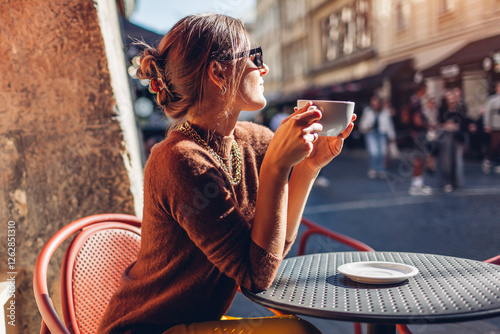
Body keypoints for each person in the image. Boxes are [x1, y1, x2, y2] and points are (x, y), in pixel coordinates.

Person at [97, 14, 355, 334]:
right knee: (298, 332)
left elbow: (268, 255)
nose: (264, 68)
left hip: (199, 323)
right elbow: (256, 276)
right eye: (254, 56)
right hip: (149, 328)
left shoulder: (255, 140)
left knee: (299, 329)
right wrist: (276, 168)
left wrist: (307, 168)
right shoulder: (179, 161)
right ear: (218, 72)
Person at [436, 89, 470, 192]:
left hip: (456, 136)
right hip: (445, 135)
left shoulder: (458, 109)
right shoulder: (442, 109)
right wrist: (446, 125)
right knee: (446, 160)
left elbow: (464, 120)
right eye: (448, 98)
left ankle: (456, 181)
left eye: (452, 98)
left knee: (457, 160)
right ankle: (446, 181)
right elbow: (439, 122)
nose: (450, 100)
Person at [359, 96, 396, 179]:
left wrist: (392, 136)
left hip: (382, 133)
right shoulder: (368, 111)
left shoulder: (385, 112)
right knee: (373, 152)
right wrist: (367, 126)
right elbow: (363, 123)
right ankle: (373, 168)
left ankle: (381, 169)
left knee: (382, 152)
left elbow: (389, 125)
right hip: (371, 133)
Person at [406, 83, 433, 196]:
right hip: (418, 133)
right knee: (419, 159)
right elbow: (417, 120)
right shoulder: (416, 102)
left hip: (415, 133)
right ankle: (416, 185)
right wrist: (428, 125)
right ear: (422, 90)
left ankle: (418, 183)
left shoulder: (413, 100)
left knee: (419, 158)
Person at [482, 81, 500, 174]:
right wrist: (487, 124)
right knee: (494, 145)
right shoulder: (492, 100)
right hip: (495, 125)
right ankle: (488, 160)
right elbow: (487, 113)